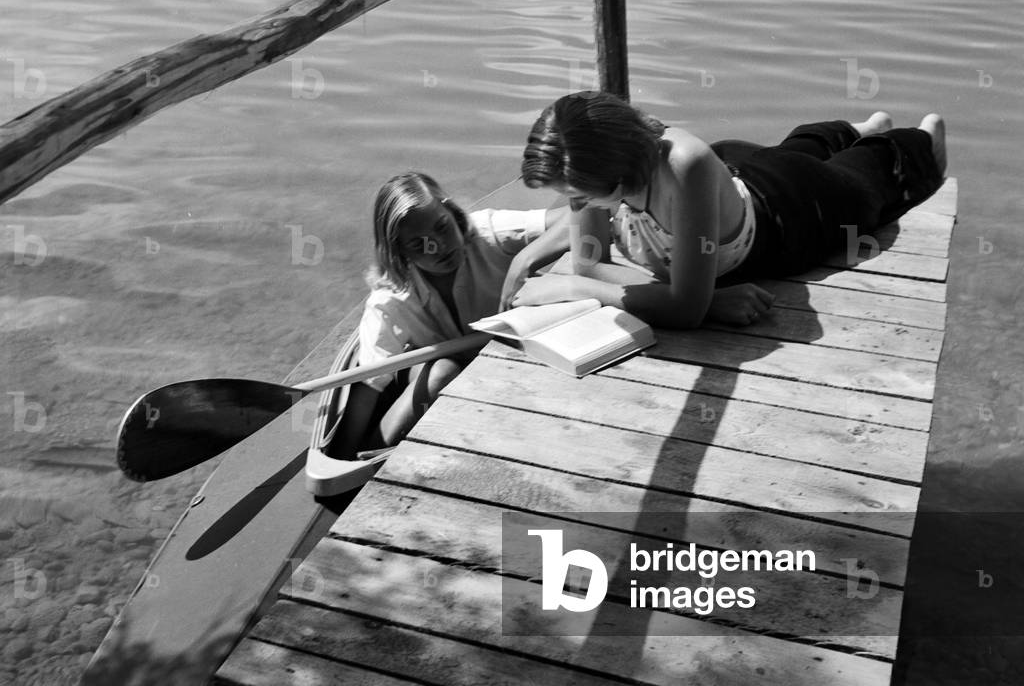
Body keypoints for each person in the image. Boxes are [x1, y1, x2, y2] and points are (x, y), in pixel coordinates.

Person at [506, 91, 946, 330]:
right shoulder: (596, 170)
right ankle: (857, 128)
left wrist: (574, 287)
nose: (574, 206)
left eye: (579, 197)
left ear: (616, 173)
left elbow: (680, 309)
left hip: (791, 213)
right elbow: (590, 265)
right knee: (796, 148)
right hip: (741, 172)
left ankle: (918, 140)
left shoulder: (682, 165)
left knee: (864, 183)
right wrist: (701, 298)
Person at [342, 172, 570, 448]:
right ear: (399, 253)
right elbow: (367, 385)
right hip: (438, 374)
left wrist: (523, 261)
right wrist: (341, 456)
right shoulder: (389, 299)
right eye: (418, 244)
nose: (438, 246)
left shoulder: (488, 231)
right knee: (443, 371)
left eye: (442, 226)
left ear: (452, 213)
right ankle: (373, 452)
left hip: (504, 362)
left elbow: (575, 218)